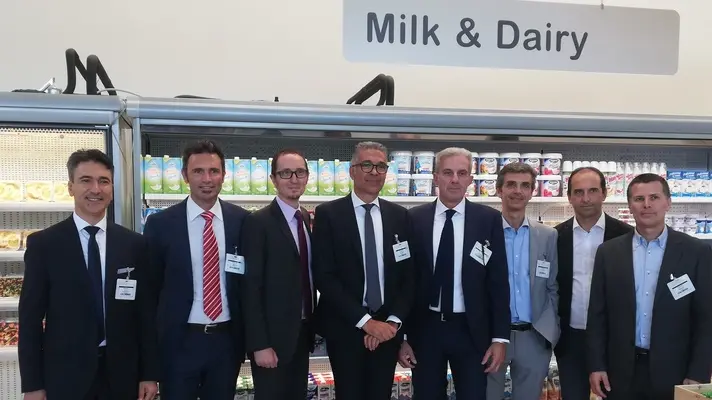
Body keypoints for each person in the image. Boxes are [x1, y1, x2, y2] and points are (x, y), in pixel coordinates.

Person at [18, 149, 159, 400]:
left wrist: (148, 373)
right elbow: (30, 320)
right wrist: (32, 384)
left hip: (122, 375)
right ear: (70, 187)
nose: (96, 189)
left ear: (112, 189)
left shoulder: (134, 245)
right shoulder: (45, 245)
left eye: (104, 181)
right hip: (65, 376)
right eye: (86, 180)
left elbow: (145, 315)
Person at [587, 173, 712, 400]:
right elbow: (597, 314)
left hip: (675, 372)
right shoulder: (608, 252)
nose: (646, 204)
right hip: (619, 372)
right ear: (630, 206)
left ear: (668, 203)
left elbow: (706, 318)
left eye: (654, 197)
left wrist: (698, 372)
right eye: (639, 199)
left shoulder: (697, 252)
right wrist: (597, 365)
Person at [399, 147, 509, 400]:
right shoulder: (413, 218)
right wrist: (402, 337)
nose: (455, 179)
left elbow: (498, 282)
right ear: (436, 177)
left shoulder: (488, 220)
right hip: (425, 329)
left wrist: (499, 338)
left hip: (471, 331)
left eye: (462, 173)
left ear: (471, 179)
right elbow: (404, 281)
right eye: (448, 172)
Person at [143, 140, 249, 400]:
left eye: (214, 171)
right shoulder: (160, 224)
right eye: (198, 171)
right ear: (185, 176)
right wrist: (149, 362)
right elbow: (149, 293)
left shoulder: (242, 221)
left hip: (226, 342)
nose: (207, 179)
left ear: (224, 175)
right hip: (179, 343)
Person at [311, 141, 415, 400]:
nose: (374, 172)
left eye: (381, 166)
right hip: (346, 328)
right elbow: (325, 276)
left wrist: (391, 323)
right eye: (366, 165)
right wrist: (367, 323)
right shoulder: (329, 214)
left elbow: (408, 276)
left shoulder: (400, 216)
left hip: (388, 331)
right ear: (352, 171)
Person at [241, 149, 317, 400]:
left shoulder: (304, 218)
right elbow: (250, 288)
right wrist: (259, 344)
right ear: (273, 179)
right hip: (272, 341)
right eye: (285, 173)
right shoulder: (258, 222)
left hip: (301, 334)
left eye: (300, 172)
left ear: (307, 177)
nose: (294, 179)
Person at [554, 167, 632, 400]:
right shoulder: (556, 236)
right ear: (569, 197)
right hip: (571, 339)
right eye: (578, 192)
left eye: (592, 191)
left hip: (615, 338)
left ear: (604, 194)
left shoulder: (627, 235)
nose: (585, 198)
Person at [487, 163, 559, 400]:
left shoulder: (547, 235)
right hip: (492, 336)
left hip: (533, 336)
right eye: (511, 185)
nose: (518, 191)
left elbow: (552, 286)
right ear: (499, 190)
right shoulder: (484, 233)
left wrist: (549, 331)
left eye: (525, 186)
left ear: (531, 192)